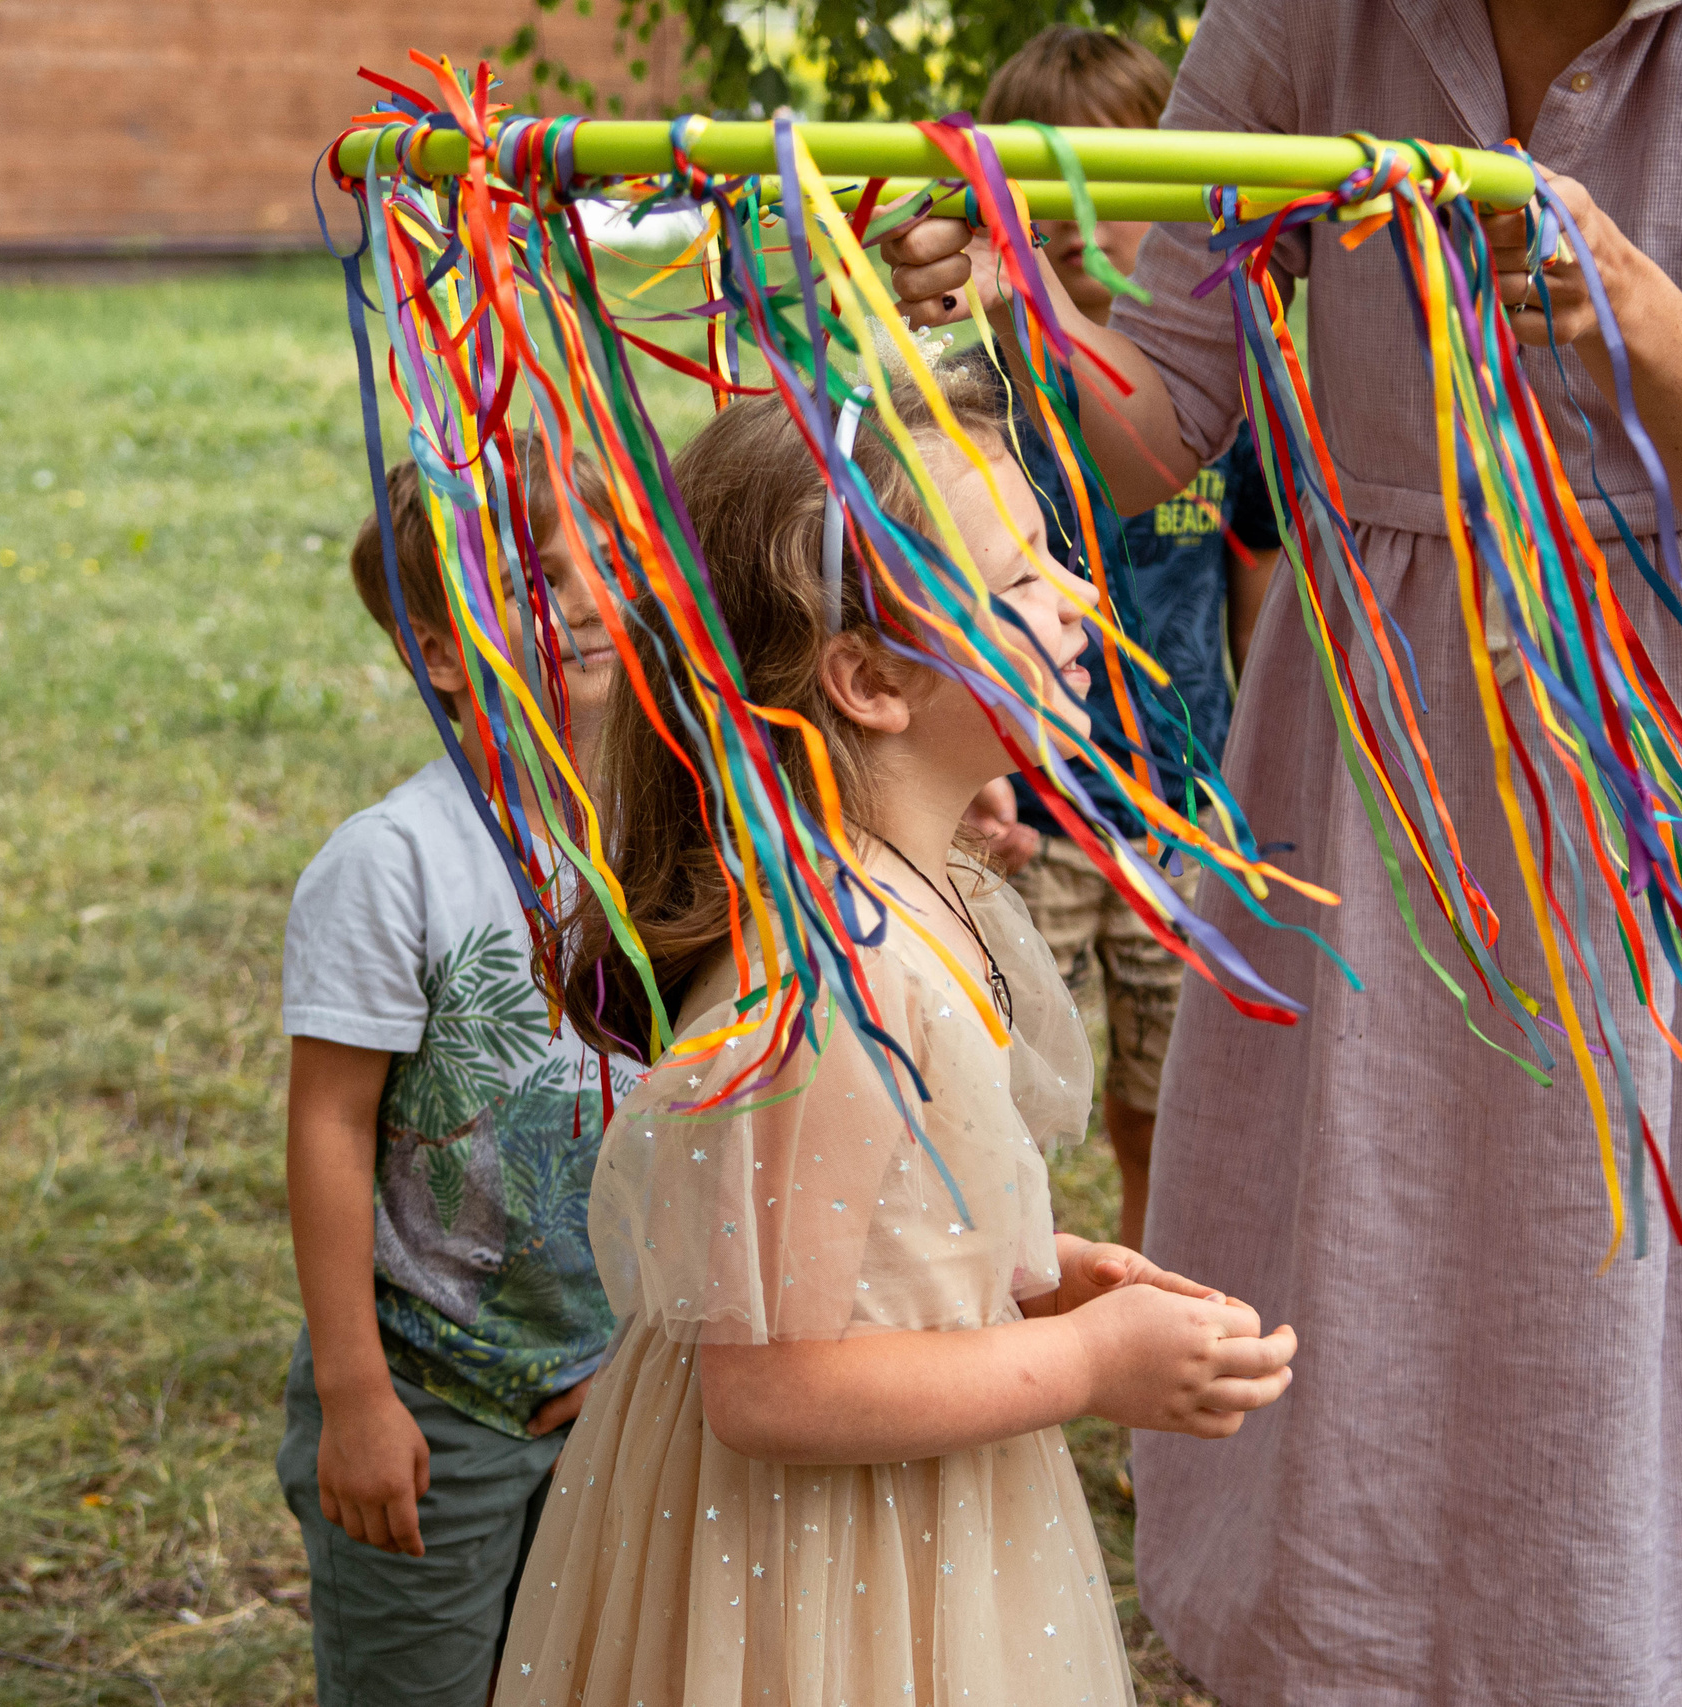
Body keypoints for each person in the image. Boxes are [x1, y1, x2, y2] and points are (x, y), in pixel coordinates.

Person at [884, 2, 1682, 1698]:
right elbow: (1154, 430)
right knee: (1393, 1251)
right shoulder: (1299, 22)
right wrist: (1019, 305)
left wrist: (1633, 309)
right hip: (1389, 761)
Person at [493, 372, 1297, 1706]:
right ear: (868, 679)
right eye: (1023, 573)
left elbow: (872, 1224)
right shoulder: (838, 982)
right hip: (817, 1570)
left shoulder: (912, 893)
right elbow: (774, 1388)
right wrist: (1087, 1364)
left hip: (905, 1514)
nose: (1083, 594)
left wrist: (1027, 1276)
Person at [278, 443, 633, 1706]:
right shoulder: (393, 863)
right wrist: (356, 1397)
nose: (588, 598)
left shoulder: (678, 833)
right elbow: (327, 1126)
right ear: (440, 649)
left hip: (615, 1392)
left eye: (606, 560)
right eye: (543, 577)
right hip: (435, 1406)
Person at [958, 25, 1284, 1252]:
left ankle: (1145, 1305)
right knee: (1001, 1101)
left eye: (1126, 188)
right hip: (1024, 821)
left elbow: (1250, 564)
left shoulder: (1231, 391)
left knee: (1164, 1103)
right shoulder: (975, 389)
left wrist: (1247, 769)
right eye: (1052, 196)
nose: (1088, 228)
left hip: (1177, 814)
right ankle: (1009, 1312)